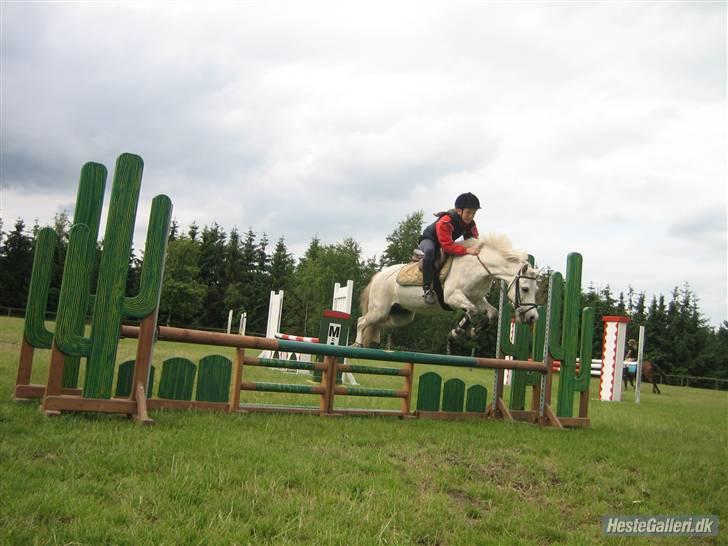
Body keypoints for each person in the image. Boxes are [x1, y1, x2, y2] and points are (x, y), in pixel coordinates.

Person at [419, 192, 481, 304]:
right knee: (430, 251)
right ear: (459, 210)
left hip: (445, 242)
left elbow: (474, 241)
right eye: (468, 212)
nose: (471, 216)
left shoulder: (470, 223)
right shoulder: (445, 221)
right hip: (429, 240)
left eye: (474, 213)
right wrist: (466, 250)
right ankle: (427, 289)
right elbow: (447, 246)